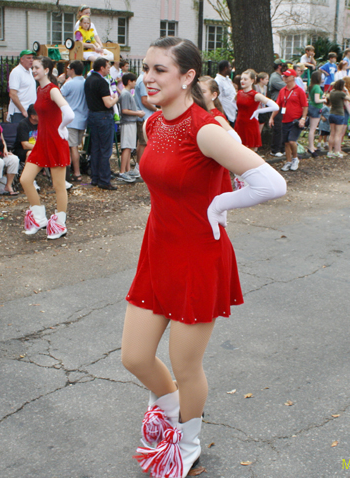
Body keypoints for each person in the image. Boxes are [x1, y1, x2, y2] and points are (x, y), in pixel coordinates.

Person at [121, 37, 286, 478]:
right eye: (146, 68)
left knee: (184, 364)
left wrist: (220, 205)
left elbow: (271, 183)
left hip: (198, 255)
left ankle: (187, 443)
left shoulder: (206, 129)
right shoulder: (153, 124)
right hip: (157, 249)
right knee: (134, 357)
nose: (148, 78)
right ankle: (170, 407)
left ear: (188, 76)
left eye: (159, 70)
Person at [20, 56, 74, 239]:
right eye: (32, 67)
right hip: (42, 142)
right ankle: (39, 218)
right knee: (25, 179)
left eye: (37, 67)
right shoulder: (40, 89)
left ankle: (60, 224)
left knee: (58, 185)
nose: (33, 70)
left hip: (55, 141)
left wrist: (61, 127)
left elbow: (68, 112)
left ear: (47, 70)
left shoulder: (52, 90)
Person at [84, 57, 120, 190]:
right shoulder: (102, 82)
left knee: (96, 148)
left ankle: (95, 177)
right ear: (102, 68)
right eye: (108, 66)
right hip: (104, 116)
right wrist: (115, 97)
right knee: (105, 149)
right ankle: (104, 180)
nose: (109, 68)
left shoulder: (88, 80)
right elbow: (108, 103)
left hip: (92, 115)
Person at [234, 69, 277, 152]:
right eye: (241, 79)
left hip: (250, 125)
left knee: (250, 152)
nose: (242, 81)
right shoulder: (239, 93)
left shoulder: (255, 95)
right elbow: (233, 104)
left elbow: (275, 106)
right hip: (239, 124)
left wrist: (258, 111)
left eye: (245, 79)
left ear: (252, 81)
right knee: (238, 150)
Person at [273, 68, 307, 171]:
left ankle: (295, 158)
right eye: (284, 76)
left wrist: (303, 118)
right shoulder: (282, 90)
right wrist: (272, 117)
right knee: (286, 142)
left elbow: (305, 105)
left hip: (295, 120)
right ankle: (288, 161)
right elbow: (277, 105)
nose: (284, 78)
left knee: (292, 141)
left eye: (287, 76)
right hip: (285, 119)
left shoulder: (299, 91)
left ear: (293, 77)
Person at [60, 61, 89, 182]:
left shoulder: (69, 84)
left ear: (72, 70)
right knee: (76, 146)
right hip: (83, 118)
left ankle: (76, 172)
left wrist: (60, 81)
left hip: (71, 119)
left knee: (72, 147)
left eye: (68, 68)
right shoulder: (85, 82)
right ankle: (75, 171)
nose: (67, 70)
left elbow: (58, 96)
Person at [132, 61, 157, 179]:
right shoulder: (143, 81)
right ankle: (139, 167)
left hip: (143, 115)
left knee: (142, 142)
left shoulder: (140, 79)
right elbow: (145, 100)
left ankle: (140, 166)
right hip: (144, 115)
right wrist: (156, 109)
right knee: (143, 143)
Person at [117, 72, 143, 183]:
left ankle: (127, 170)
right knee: (127, 147)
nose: (135, 83)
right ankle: (123, 171)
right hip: (128, 123)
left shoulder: (126, 93)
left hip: (130, 123)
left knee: (129, 147)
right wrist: (137, 113)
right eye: (134, 81)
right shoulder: (126, 94)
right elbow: (125, 110)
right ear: (129, 81)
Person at [7, 50, 37, 131]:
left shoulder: (30, 71)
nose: (31, 60)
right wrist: (23, 111)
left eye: (32, 58)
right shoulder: (16, 72)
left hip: (29, 111)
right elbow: (12, 94)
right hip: (19, 112)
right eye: (28, 58)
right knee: (18, 137)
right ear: (22, 59)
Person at [267, 60, 287, 157]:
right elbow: (286, 86)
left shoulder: (279, 77)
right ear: (279, 66)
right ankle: (275, 149)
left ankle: (282, 148)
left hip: (282, 105)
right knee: (278, 127)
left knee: (282, 127)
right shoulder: (275, 77)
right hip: (277, 105)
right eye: (284, 66)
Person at [326, 79, 348, 158]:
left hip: (332, 113)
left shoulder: (332, 93)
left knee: (332, 133)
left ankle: (330, 151)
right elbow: (349, 98)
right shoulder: (341, 93)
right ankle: (336, 151)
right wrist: (347, 91)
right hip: (339, 114)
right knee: (338, 134)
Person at [306, 71, 324, 157]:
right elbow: (317, 100)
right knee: (312, 129)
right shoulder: (317, 87)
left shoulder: (312, 86)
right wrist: (324, 100)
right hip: (316, 108)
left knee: (312, 128)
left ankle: (312, 146)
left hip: (312, 107)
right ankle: (311, 147)